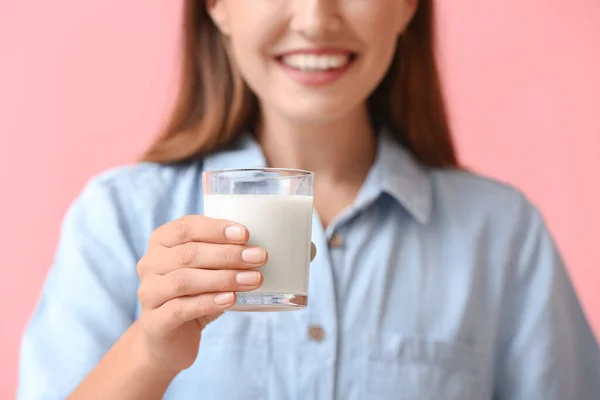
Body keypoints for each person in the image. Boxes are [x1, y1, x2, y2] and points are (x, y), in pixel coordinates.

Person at [17, 0, 600, 399]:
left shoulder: (502, 234)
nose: (316, 18)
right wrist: (151, 350)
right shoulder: (119, 216)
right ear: (217, 5)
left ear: (406, 6)